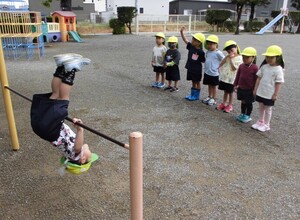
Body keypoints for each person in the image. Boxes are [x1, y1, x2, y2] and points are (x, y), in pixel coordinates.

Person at [30, 53, 98, 173]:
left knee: (63, 98)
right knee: (55, 95)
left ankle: (72, 68)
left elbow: (78, 147)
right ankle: (61, 67)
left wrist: (80, 130)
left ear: (82, 159)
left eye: (90, 156)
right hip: (42, 127)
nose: (90, 153)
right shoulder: (70, 154)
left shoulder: (76, 153)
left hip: (50, 129)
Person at [252, 45, 284, 132]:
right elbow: (258, 78)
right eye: (267, 57)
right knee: (261, 106)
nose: (268, 59)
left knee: (268, 109)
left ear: (278, 58)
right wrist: (255, 89)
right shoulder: (264, 67)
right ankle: (260, 121)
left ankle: (266, 124)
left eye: (271, 57)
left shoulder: (278, 69)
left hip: (269, 93)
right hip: (261, 91)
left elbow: (279, 82)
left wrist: (275, 94)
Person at [233, 47, 259, 123]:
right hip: (241, 87)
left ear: (253, 57)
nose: (245, 58)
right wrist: (235, 84)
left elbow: (256, 79)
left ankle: (248, 115)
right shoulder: (241, 66)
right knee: (243, 101)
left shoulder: (255, 68)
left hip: (249, 89)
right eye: (243, 57)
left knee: (249, 102)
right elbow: (238, 75)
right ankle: (242, 113)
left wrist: (255, 89)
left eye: (247, 57)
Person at [216, 40, 243, 113]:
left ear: (236, 48)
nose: (230, 52)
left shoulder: (240, 58)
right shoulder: (228, 56)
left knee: (231, 93)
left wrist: (231, 59)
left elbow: (234, 68)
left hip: (232, 79)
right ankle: (223, 103)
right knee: (225, 92)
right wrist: (219, 66)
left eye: (232, 50)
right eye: (228, 51)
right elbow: (223, 61)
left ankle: (230, 105)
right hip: (225, 78)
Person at [180, 26, 206, 101]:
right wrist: (181, 32)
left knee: (197, 82)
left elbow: (203, 61)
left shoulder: (201, 52)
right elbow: (185, 40)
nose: (192, 40)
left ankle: (196, 95)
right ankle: (192, 94)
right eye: (193, 39)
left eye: (194, 40)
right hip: (190, 68)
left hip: (197, 69)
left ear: (199, 43)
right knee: (193, 81)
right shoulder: (191, 47)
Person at [202, 35, 225, 106]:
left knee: (214, 86)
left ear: (216, 44)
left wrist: (219, 67)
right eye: (208, 44)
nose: (209, 46)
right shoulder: (208, 52)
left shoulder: (218, 53)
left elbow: (224, 59)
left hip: (214, 73)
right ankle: (210, 96)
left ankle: (214, 99)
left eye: (211, 44)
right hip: (207, 72)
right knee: (209, 85)